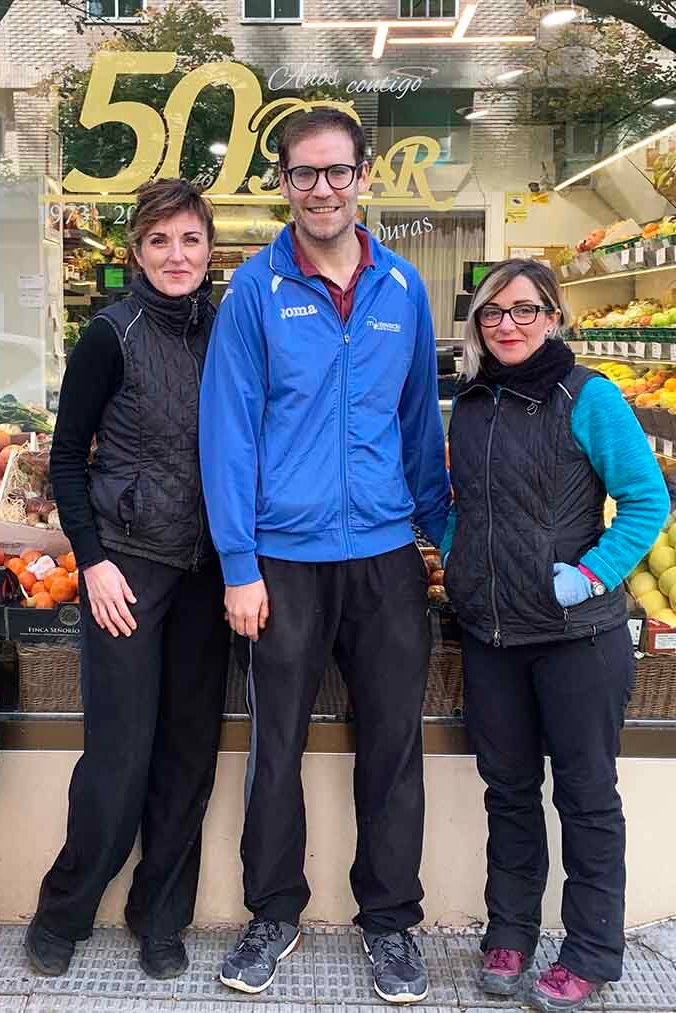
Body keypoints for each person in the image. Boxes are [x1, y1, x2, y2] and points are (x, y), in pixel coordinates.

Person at [200, 107, 450, 1005]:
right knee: (277, 746)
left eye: (336, 171)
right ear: (282, 182)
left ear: (363, 175)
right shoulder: (253, 293)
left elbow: (420, 423)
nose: (321, 189)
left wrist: (445, 539)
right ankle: (273, 911)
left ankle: (392, 923)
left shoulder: (403, 289)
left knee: (392, 747)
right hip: (283, 562)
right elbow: (227, 436)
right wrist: (238, 562)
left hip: (385, 557)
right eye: (303, 174)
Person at [442, 259, 665, 1012]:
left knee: (586, 796)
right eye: (494, 312)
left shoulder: (589, 396)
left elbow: (645, 499)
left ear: (554, 317)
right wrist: (456, 552)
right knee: (507, 792)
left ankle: (593, 950)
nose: (508, 324)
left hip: (576, 635)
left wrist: (592, 573)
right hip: (492, 633)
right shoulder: (471, 403)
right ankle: (509, 931)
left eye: (526, 310)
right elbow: (461, 501)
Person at [25, 178, 231, 981]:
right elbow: (67, 460)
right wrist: (93, 559)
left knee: (189, 753)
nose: (176, 256)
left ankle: (160, 917)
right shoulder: (109, 335)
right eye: (159, 241)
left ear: (209, 250)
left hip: (209, 571)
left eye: (189, 240)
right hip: (130, 568)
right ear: (136, 252)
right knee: (118, 752)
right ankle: (65, 910)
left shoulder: (228, 332)